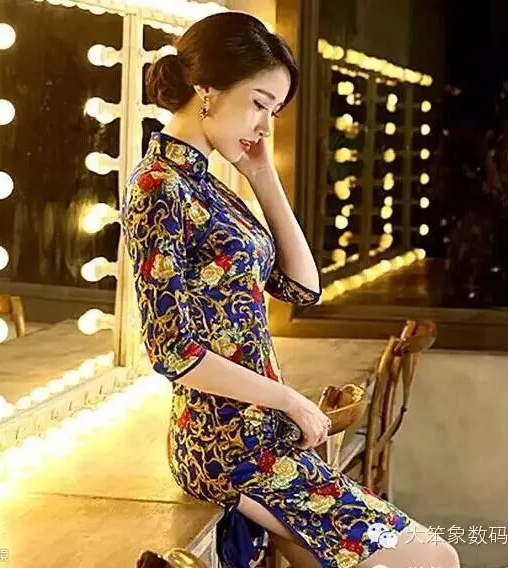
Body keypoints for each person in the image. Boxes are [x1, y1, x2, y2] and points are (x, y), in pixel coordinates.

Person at [121, 11, 460, 568]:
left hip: (261, 434)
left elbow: (303, 287)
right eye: (259, 103)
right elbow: (171, 351)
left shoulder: (210, 185)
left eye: (273, 112)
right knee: (434, 559)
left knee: (423, 558)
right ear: (207, 89)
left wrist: (263, 177)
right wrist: (291, 401)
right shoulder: (158, 186)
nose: (264, 126)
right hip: (225, 444)